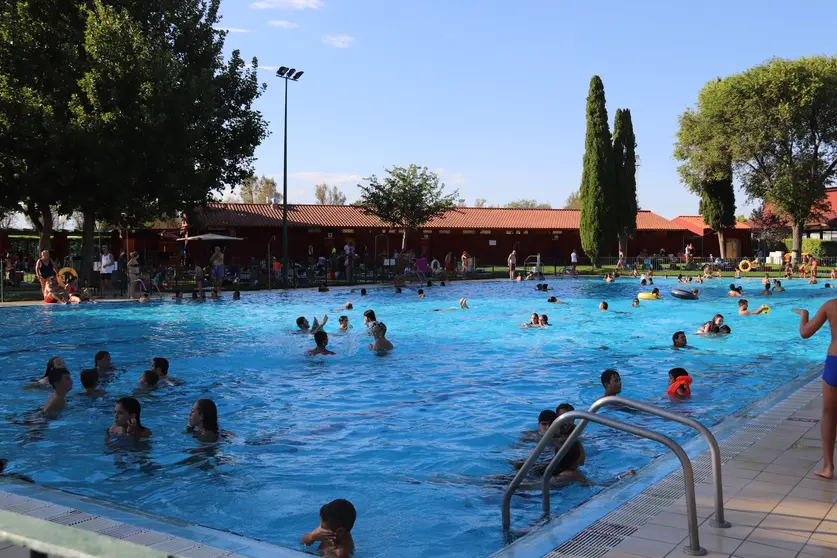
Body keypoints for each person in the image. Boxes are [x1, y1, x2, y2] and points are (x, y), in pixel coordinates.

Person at [792, 302, 837, 478]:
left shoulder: (831, 305)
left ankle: (828, 467)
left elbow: (805, 333)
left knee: (829, 414)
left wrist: (804, 315)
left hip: (835, 362)